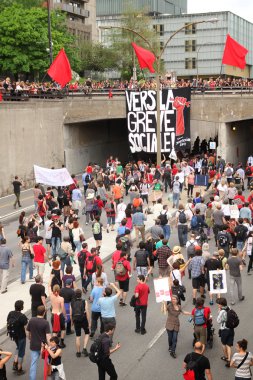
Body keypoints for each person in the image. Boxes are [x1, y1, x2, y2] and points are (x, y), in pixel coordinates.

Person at [26, 305, 51, 380]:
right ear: (44, 313)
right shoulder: (45, 323)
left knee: (33, 363)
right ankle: (48, 373)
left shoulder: (32, 320)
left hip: (33, 345)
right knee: (47, 361)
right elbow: (48, 336)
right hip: (43, 346)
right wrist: (50, 346)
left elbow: (27, 332)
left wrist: (30, 338)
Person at [7, 300, 28, 375]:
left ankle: (15, 363)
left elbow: (8, 322)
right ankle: (19, 369)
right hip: (21, 336)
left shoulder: (10, 313)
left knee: (18, 347)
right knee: (21, 352)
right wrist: (29, 337)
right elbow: (26, 329)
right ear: (21, 307)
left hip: (14, 335)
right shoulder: (22, 317)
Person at [70, 289, 90, 358]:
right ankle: (84, 348)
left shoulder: (72, 302)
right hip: (83, 319)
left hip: (76, 320)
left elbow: (70, 313)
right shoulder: (84, 301)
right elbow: (87, 312)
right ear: (81, 294)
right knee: (87, 333)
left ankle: (78, 352)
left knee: (78, 336)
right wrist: (89, 322)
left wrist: (72, 322)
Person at [216, 297, 235, 367]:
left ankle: (226, 357)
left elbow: (218, 321)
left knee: (224, 344)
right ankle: (229, 359)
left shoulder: (222, 311)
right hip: (231, 329)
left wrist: (219, 313)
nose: (218, 305)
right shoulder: (229, 308)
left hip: (224, 330)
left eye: (218, 304)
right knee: (229, 345)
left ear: (221, 304)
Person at [48, 284, 66, 348]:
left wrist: (51, 277)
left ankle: (55, 344)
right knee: (63, 328)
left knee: (54, 330)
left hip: (53, 314)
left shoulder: (51, 296)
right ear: (59, 290)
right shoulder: (61, 299)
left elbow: (49, 286)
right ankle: (62, 342)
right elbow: (62, 308)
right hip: (59, 314)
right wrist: (65, 315)